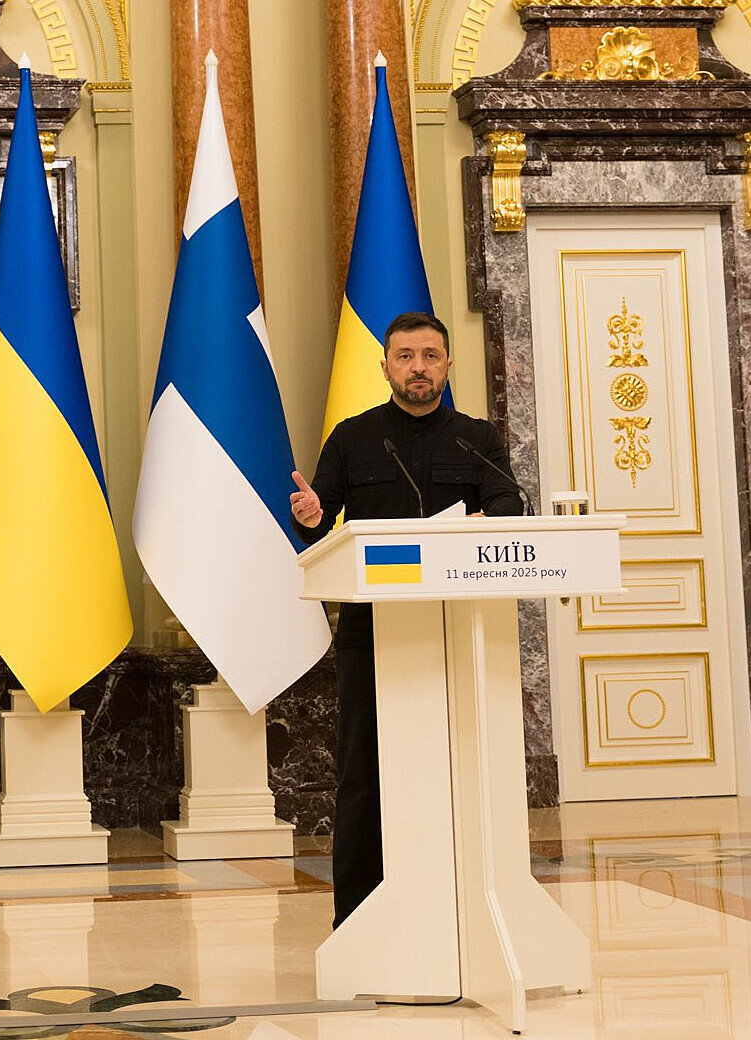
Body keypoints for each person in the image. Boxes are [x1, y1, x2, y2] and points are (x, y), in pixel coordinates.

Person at [287, 310, 523, 928]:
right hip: (371, 633)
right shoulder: (353, 437)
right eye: (406, 356)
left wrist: (486, 520)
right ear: (386, 366)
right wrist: (310, 516)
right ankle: (358, 918)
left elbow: (509, 503)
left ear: (448, 365)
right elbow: (320, 517)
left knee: (462, 765)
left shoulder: (476, 438)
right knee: (363, 774)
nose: (419, 368)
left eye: (430, 356)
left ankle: (464, 907)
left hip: (458, 628)